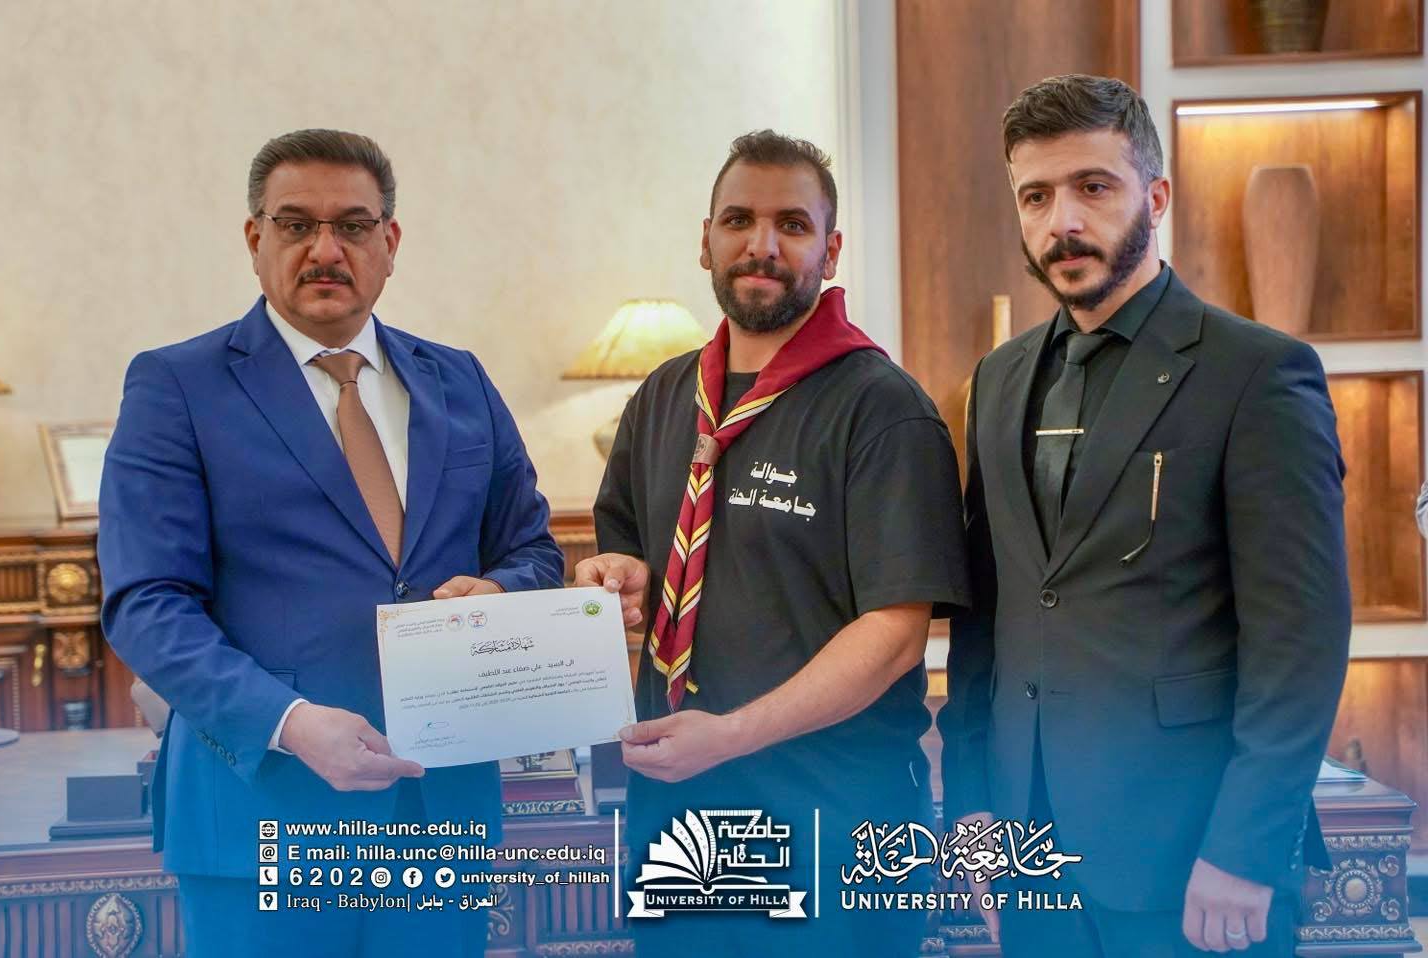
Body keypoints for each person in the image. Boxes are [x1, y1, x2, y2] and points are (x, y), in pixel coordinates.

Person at [98, 128, 563, 957]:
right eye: (295, 225)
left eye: (352, 225)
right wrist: (288, 722)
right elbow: (146, 603)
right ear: (255, 239)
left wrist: (500, 593)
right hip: (260, 814)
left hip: (438, 814)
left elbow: (532, 552)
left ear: (390, 242)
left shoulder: (460, 379)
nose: (324, 250)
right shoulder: (177, 386)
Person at [936, 75, 1351, 957]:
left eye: (1093, 186)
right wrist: (972, 816)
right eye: (1036, 197)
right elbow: (987, 614)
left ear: (1155, 197)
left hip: (1194, 861)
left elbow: (1300, 641)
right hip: (1027, 851)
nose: (1063, 222)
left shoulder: (1258, 374)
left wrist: (1245, 852)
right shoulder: (997, 380)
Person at [576, 130, 971, 956]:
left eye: (792, 224)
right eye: (739, 220)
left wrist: (730, 734)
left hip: (835, 825)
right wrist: (619, 575)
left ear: (831, 249)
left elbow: (896, 635)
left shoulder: (884, 409)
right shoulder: (662, 396)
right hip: (679, 822)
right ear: (706, 241)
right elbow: (631, 555)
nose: (762, 245)